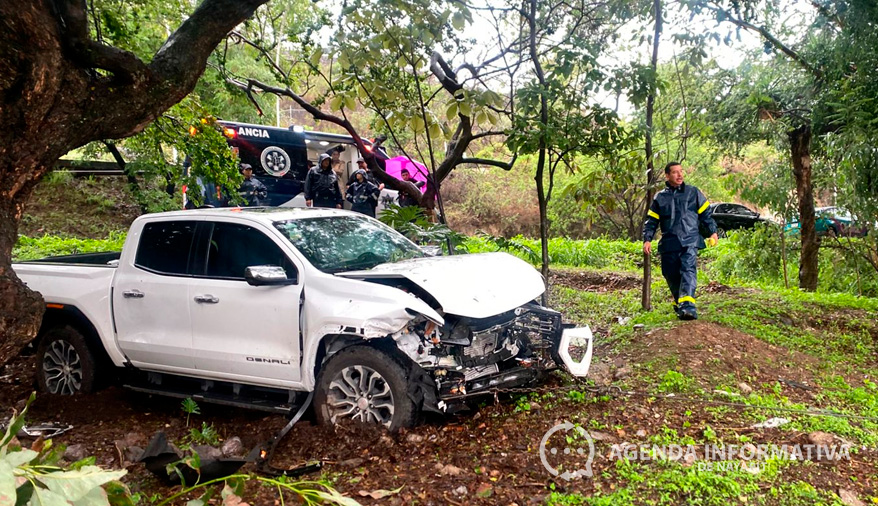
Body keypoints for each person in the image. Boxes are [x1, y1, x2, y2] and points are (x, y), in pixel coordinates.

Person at [643, 161, 718, 321]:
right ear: (667, 175)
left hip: (690, 240)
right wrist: (647, 239)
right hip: (669, 242)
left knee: (688, 270)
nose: (679, 175)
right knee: (669, 273)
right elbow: (651, 221)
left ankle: (688, 307)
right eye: (675, 172)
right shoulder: (660, 197)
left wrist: (713, 232)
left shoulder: (693, 192)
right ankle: (681, 304)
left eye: (681, 171)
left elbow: (706, 215)